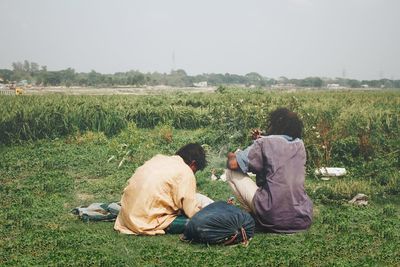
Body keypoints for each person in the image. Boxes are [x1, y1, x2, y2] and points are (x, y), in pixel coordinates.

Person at [226, 108, 313, 233]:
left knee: (231, 172)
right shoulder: (300, 144)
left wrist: (231, 154)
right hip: (302, 218)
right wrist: (261, 140)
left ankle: (252, 216)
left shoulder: (264, 143)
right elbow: (278, 153)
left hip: (272, 215)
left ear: (275, 124)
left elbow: (233, 164)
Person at [114, 143, 213, 235]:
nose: (194, 173)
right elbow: (191, 211)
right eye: (195, 170)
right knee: (199, 222)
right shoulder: (186, 171)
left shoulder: (158, 158)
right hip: (142, 222)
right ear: (193, 164)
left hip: (125, 218)